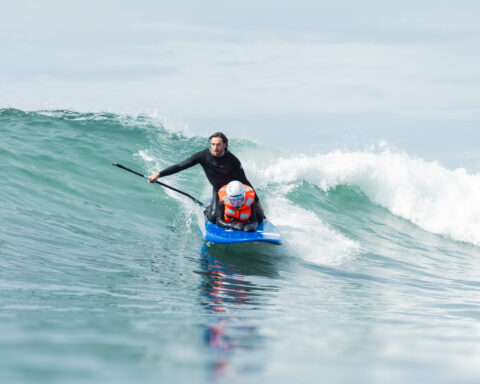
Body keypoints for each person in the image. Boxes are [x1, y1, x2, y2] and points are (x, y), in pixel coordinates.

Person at [148, 132, 264, 222]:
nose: (215, 148)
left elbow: (245, 181)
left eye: (218, 145)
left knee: (258, 218)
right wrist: (158, 175)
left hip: (235, 193)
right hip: (219, 191)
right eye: (212, 144)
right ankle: (208, 209)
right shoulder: (203, 156)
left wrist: (259, 205)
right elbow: (180, 166)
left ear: (225, 144)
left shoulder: (233, 160)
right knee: (213, 218)